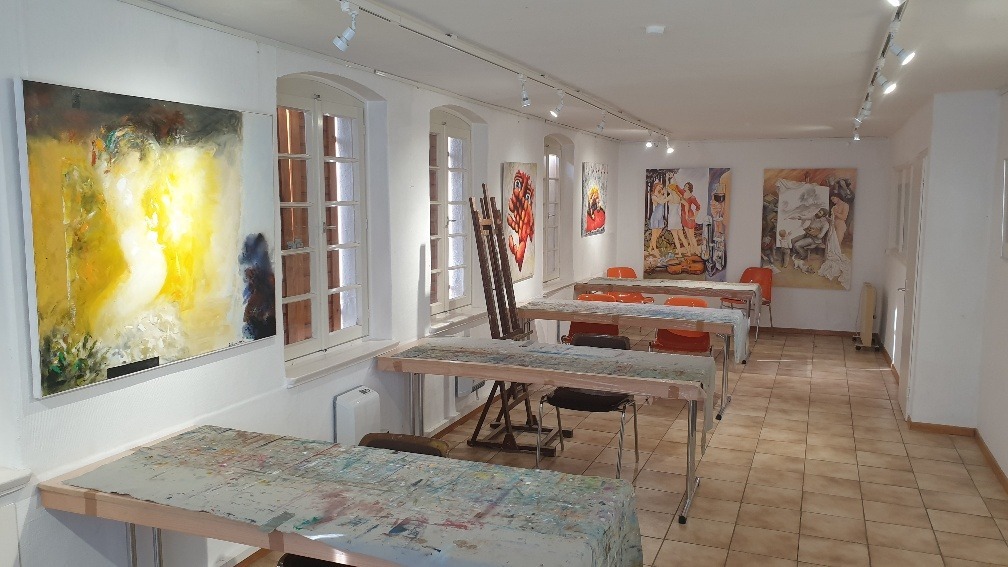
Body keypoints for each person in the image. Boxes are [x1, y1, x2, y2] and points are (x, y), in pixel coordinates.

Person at [790, 207, 830, 273]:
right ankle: (797, 252)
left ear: (823, 215)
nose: (817, 213)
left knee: (797, 245)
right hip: (807, 234)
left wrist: (814, 232)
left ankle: (804, 254)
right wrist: (798, 217)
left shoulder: (825, 224)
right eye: (818, 211)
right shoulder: (814, 217)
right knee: (793, 240)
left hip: (814, 239)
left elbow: (820, 236)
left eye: (820, 212)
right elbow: (804, 217)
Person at [680, 181, 702, 254]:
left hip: (689, 215)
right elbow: (677, 187)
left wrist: (695, 216)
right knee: (688, 235)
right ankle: (692, 249)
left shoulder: (692, 197)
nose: (684, 186)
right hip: (683, 215)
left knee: (692, 235)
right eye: (685, 185)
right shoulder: (683, 194)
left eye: (686, 186)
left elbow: (698, 206)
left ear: (689, 188)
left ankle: (697, 251)